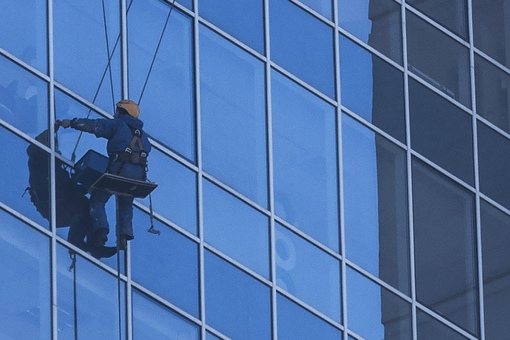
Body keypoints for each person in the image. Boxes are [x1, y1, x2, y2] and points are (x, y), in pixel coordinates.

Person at [58, 99, 151, 250]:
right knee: (126, 203)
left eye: (117, 111)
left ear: (122, 112)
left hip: (119, 171)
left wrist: (72, 123)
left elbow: (95, 126)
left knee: (98, 200)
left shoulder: (117, 124)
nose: (115, 114)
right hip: (138, 177)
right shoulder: (144, 136)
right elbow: (147, 149)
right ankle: (124, 235)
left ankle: (101, 231)